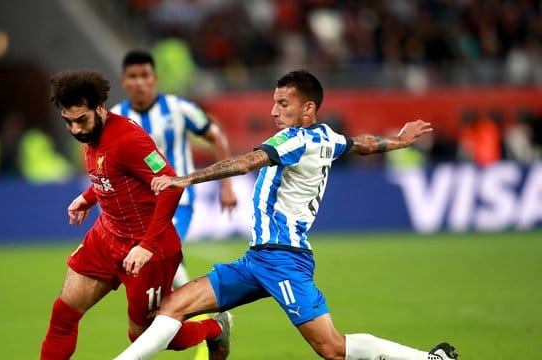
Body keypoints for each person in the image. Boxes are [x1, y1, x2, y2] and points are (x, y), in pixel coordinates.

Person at [114, 70, 459, 360]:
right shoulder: (327, 137)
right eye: (274, 102)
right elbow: (362, 144)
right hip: (256, 260)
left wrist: (185, 179)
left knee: (333, 349)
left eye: (283, 104)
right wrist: (397, 142)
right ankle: (209, 331)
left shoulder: (294, 140)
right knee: (173, 307)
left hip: (283, 260)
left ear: (308, 108)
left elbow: (246, 162)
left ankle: (429, 359)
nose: (274, 111)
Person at [40, 70, 232, 360]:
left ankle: (214, 328)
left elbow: (170, 184)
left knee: (144, 335)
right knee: (63, 313)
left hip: (148, 249)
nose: (76, 129)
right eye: (69, 122)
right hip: (107, 237)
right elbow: (114, 174)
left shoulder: (128, 138)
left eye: (81, 120)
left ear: (99, 108)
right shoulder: (93, 136)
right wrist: (88, 197)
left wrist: (147, 246)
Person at [110, 50, 238, 289]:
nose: (139, 82)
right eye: (133, 76)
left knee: (156, 254)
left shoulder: (179, 108)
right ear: (124, 81)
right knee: (155, 264)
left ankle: (200, 320)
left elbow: (216, 137)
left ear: (154, 78)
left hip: (178, 200)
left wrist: (227, 185)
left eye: (144, 75)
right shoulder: (116, 117)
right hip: (139, 207)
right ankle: (195, 319)